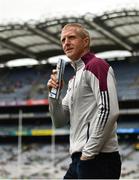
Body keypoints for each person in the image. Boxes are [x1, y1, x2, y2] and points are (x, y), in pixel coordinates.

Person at [47, 23, 121, 179]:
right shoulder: (74, 79)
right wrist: (54, 95)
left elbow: (109, 110)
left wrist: (88, 153)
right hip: (79, 160)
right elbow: (59, 121)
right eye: (63, 40)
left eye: (71, 37)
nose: (66, 43)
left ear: (85, 41)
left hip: (98, 158)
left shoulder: (96, 65)